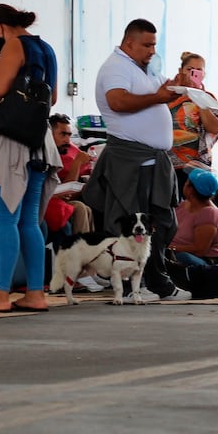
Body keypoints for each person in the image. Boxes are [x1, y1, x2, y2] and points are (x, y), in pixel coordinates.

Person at [81, 17, 191, 301]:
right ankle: (135, 287)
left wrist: (175, 87)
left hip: (154, 161)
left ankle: (156, 281)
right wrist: (157, 97)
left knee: (163, 223)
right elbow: (118, 101)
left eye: (154, 45)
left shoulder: (144, 67)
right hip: (133, 160)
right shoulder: (115, 67)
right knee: (135, 228)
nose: (152, 50)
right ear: (129, 43)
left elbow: (158, 95)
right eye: (147, 45)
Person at [0, 3, 58, 313]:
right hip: (39, 140)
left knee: (4, 216)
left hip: (10, 140)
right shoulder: (46, 49)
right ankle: (35, 293)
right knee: (29, 220)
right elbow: (52, 97)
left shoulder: (14, 45)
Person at [168, 52, 218, 184]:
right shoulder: (169, 95)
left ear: (204, 74)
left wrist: (199, 98)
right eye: (189, 69)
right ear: (181, 71)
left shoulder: (208, 98)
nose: (193, 74)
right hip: (168, 163)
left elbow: (215, 128)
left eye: (198, 70)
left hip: (197, 166)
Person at [168, 169, 218, 267]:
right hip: (175, 252)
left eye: (187, 182)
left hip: (204, 261)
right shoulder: (183, 205)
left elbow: (199, 250)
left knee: (182, 258)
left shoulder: (209, 213)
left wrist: (169, 248)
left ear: (190, 190)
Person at [47, 113, 94, 234]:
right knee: (80, 208)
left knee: (88, 207)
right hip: (45, 203)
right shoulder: (44, 156)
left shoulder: (62, 152)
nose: (67, 140)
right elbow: (66, 190)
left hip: (56, 199)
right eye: (63, 134)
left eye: (69, 135)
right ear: (49, 135)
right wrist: (77, 162)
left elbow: (66, 191)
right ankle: (80, 245)